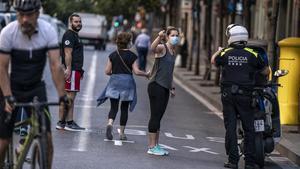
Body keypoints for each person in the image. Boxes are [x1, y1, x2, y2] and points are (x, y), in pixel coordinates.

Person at [0, 0, 69, 168]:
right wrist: (7, 96)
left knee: (48, 140)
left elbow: (55, 65)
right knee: (3, 140)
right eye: (21, 15)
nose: (24, 19)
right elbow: (2, 66)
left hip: (36, 88)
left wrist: (62, 95)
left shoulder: (48, 31)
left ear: (37, 14)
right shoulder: (8, 32)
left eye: (29, 15)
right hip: (11, 86)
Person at [211, 24, 269, 169]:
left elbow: (213, 61)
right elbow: (266, 71)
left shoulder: (226, 53)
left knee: (230, 128)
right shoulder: (253, 53)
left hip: (228, 95)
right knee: (249, 129)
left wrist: (220, 51)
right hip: (246, 96)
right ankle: (249, 163)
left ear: (231, 37)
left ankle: (233, 161)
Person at [97, 32, 149, 140]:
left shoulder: (113, 55)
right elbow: (136, 71)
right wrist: (146, 74)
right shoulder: (133, 56)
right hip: (127, 82)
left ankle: (110, 123)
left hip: (114, 81)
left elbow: (107, 71)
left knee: (114, 107)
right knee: (124, 108)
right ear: (129, 42)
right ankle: (122, 133)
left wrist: (115, 74)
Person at [147, 26, 179, 156]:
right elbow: (152, 48)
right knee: (155, 116)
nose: (175, 37)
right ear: (167, 36)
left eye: (177, 35)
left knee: (159, 117)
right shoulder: (162, 48)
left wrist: (171, 87)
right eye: (172, 35)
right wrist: (159, 37)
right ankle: (151, 146)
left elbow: (169, 72)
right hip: (156, 85)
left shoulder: (173, 51)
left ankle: (156, 145)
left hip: (165, 87)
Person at [56, 13, 86, 131]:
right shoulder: (69, 35)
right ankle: (62, 122)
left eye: (79, 21)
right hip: (72, 70)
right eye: (76, 22)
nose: (78, 24)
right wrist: (68, 68)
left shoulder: (75, 35)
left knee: (70, 97)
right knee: (70, 97)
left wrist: (80, 70)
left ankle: (69, 122)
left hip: (75, 70)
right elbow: (67, 53)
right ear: (70, 22)